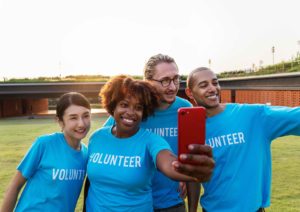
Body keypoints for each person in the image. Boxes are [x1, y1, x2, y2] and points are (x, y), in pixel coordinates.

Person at [102, 54, 214, 212]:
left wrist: (193, 209)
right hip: (134, 203)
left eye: (176, 79)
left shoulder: (186, 110)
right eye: (165, 80)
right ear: (147, 81)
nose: (173, 87)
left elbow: (192, 165)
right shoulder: (133, 109)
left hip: (172, 203)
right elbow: (104, 145)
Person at [185, 67, 300, 212]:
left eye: (215, 83)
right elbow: (193, 176)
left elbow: (295, 116)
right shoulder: (192, 129)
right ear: (190, 92)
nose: (212, 88)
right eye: (204, 85)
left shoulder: (253, 115)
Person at [0, 92, 91, 212]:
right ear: (60, 122)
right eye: (73, 117)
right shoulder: (44, 144)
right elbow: (15, 186)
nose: (81, 123)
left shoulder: (86, 154)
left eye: (86, 116)